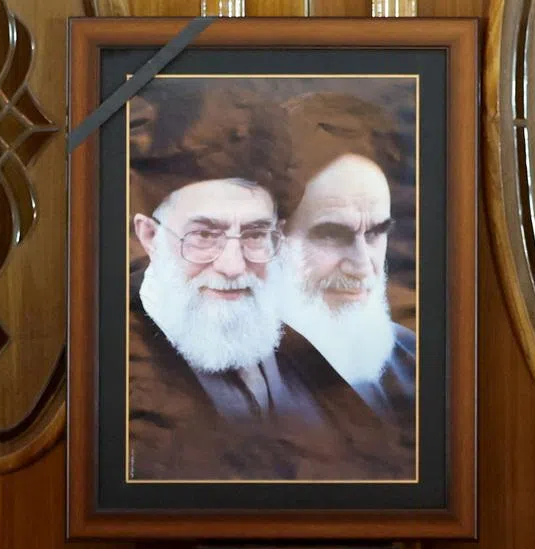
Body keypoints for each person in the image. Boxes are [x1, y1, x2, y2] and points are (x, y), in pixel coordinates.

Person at [126, 85, 406, 482]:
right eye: (205, 235)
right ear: (150, 237)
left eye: (255, 235)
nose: (232, 264)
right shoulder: (115, 364)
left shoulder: (301, 351)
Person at [281, 93, 416, 447]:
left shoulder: (413, 362)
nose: (361, 266)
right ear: (270, 238)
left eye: (375, 233)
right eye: (333, 234)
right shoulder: (224, 382)